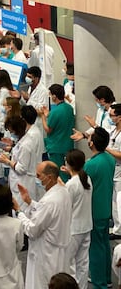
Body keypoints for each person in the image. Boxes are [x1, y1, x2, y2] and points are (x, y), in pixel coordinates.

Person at [13, 161, 72, 289]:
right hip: (58, 249)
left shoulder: (49, 201)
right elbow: (45, 213)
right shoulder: (63, 191)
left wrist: (19, 212)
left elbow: (32, 230)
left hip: (46, 253)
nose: (36, 178)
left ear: (49, 177)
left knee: (41, 284)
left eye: (39, 176)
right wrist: (29, 201)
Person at [84, 127, 116, 288]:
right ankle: (107, 278)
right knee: (103, 244)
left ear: (92, 143)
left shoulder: (91, 165)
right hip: (105, 208)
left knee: (95, 247)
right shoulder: (109, 159)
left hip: (94, 210)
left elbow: (81, 184)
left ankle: (99, 282)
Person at [60, 149, 92, 289]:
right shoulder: (86, 178)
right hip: (86, 226)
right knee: (83, 263)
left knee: (68, 264)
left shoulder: (71, 185)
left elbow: (65, 205)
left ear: (68, 164)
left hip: (73, 229)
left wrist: (61, 185)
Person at [0, 115, 38, 210]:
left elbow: (21, 169)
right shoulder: (22, 140)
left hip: (24, 181)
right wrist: (11, 149)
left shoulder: (26, 145)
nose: (11, 134)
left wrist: (7, 161)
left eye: (12, 131)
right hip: (17, 180)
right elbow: (18, 156)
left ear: (18, 130)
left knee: (22, 211)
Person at [40, 84, 74, 181]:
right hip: (67, 145)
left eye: (51, 95)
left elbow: (48, 129)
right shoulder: (69, 108)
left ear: (54, 96)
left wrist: (43, 117)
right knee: (67, 171)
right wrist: (48, 115)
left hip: (56, 147)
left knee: (58, 173)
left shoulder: (55, 111)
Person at [106, 104, 121, 239]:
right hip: (113, 170)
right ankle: (117, 228)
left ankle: (119, 230)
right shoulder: (113, 131)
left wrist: (107, 149)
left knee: (119, 200)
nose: (110, 118)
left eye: (112, 115)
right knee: (114, 201)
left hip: (119, 171)